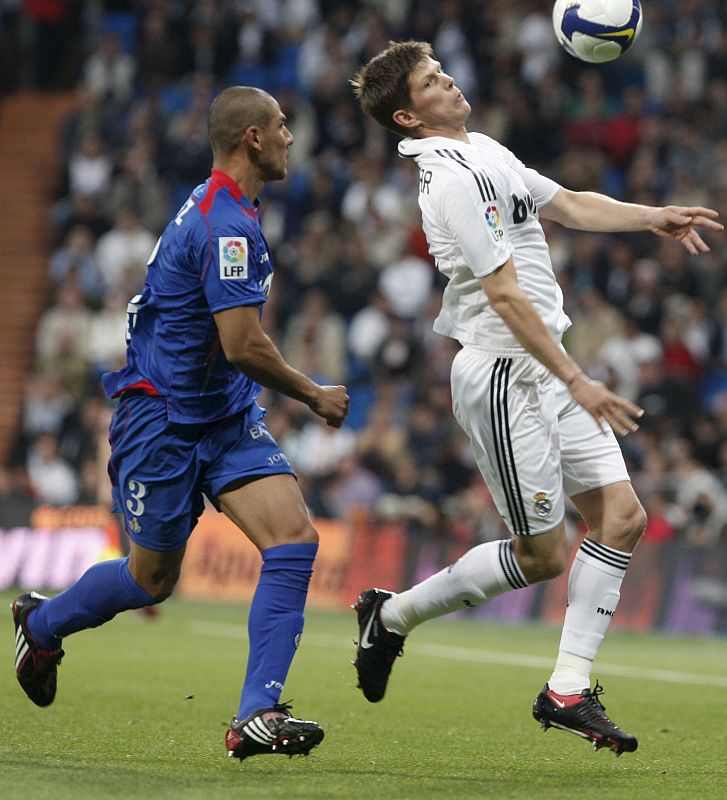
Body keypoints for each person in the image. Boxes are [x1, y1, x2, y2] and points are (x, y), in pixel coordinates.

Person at [350, 41, 723, 755]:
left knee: (620, 516)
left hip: (546, 366)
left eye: (442, 69)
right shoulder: (448, 181)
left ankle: (566, 690)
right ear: (407, 114)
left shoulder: (483, 149)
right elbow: (501, 294)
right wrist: (578, 379)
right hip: (502, 375)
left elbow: (570, 204)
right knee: (543, 555)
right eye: (431, 81)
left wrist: (652, 215)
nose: (450, 79)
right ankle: (390, 616)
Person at [12, 86, 349, 763]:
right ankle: (42, 622)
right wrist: (313, 394)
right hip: (160, 423)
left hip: (221, 418)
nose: (291, 137)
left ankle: (257, 713)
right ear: (252, 137)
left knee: (293, 540)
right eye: (281, 127)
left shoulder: (229, 207)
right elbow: (243, 345)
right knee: (150, 580)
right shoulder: (225, 224)